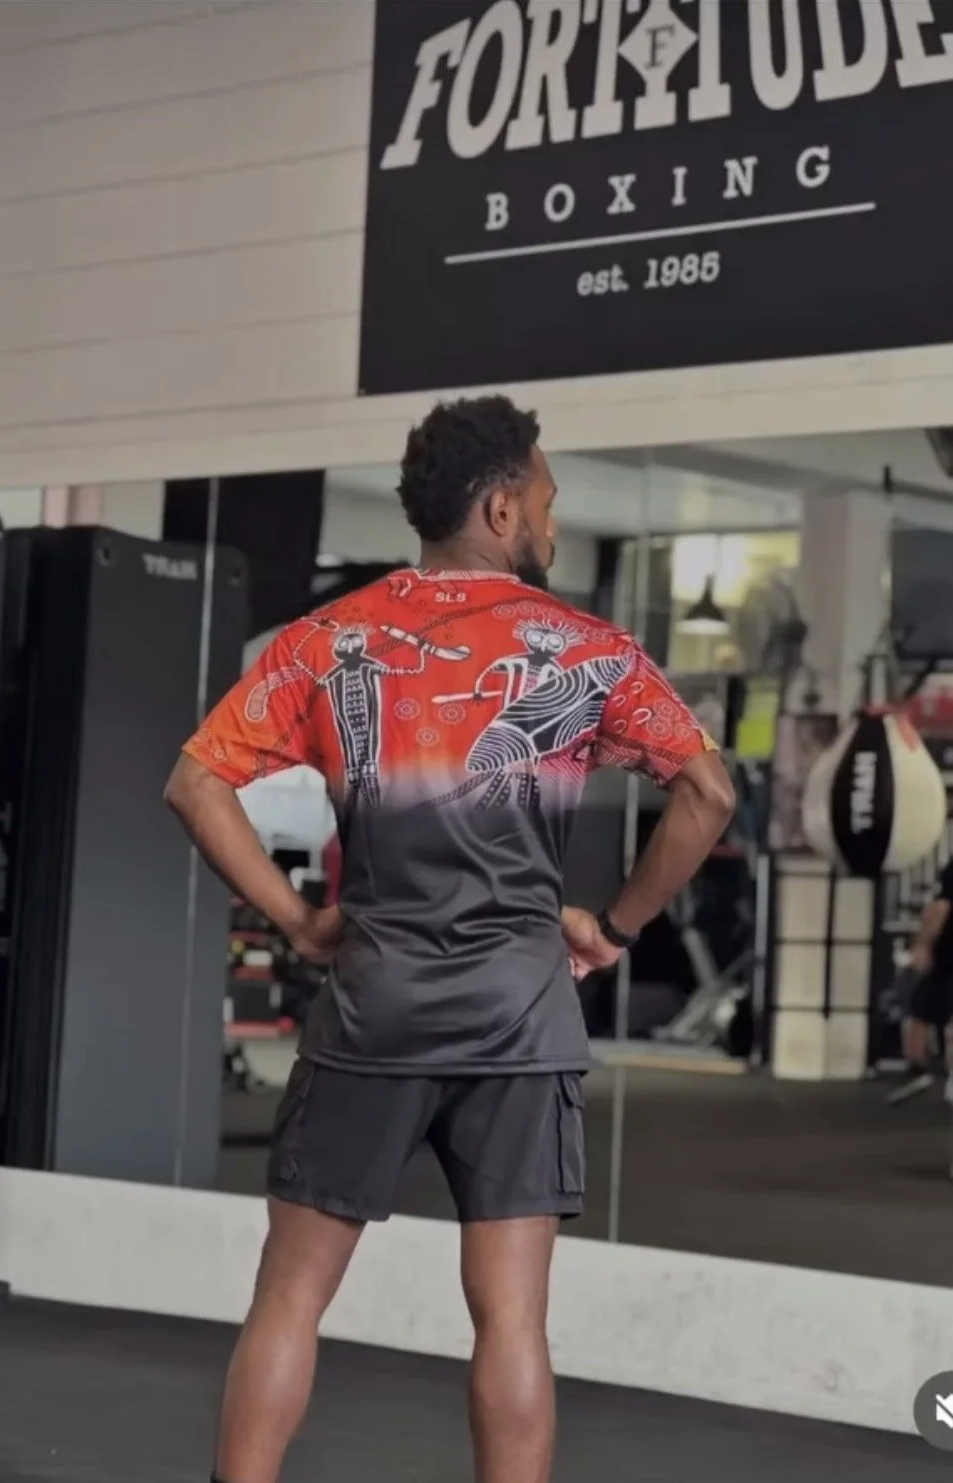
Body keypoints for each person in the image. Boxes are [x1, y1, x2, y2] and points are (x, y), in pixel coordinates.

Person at [164, 394, 736, 1483]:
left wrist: (298, 921)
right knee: (513, 1320)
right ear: (502, 505)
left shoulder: (330, 639)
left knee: (289, 1294)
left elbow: (195, 785)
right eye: (552, 504)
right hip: (521, 1015)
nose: (557, 525)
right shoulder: (588, 651)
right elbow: (706, 792)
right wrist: (612, 926)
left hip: (375, 1006)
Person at [887, 858, 953, 1105]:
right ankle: (919, 1070)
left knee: (922, 1012)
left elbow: (939, 908)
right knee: (920, 1010)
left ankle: (920, 1071)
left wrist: (923, 945)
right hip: (945, 960)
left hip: (946, 959)